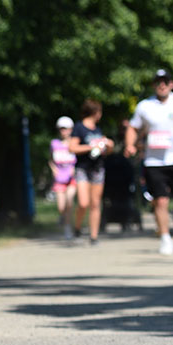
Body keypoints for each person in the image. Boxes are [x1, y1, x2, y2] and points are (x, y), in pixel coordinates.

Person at [124, 69, 173, 255]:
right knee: (160, 201)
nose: (162, 85)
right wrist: (130, 144)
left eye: (165, 81)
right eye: (158, 82)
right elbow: (133, 128)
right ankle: (165, 237)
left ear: (171, 84)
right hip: (153, 161)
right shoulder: (145, 106)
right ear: (154, 85)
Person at [68, 99, 114, 244]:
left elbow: (106, 152)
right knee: (83, 202)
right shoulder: (79, 127)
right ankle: (77, 227)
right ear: (95, 112)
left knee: (95, 203)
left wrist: (109, 145)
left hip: (97, 168)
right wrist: (90, 147)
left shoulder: (98, 130)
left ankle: (93, 236)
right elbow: (72, 148)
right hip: (83, 168)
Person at [50, 116, 78, 240]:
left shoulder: (74, 143)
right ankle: (63, 218)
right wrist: (53, 170)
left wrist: (75, 169)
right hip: (59, 179)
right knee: (61, 206)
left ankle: (68, 228)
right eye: (62, 129)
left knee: (69, 202)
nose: (64, 131)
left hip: (71, 178)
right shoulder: (54, 144)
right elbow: (50, 160)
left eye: (66, 129)